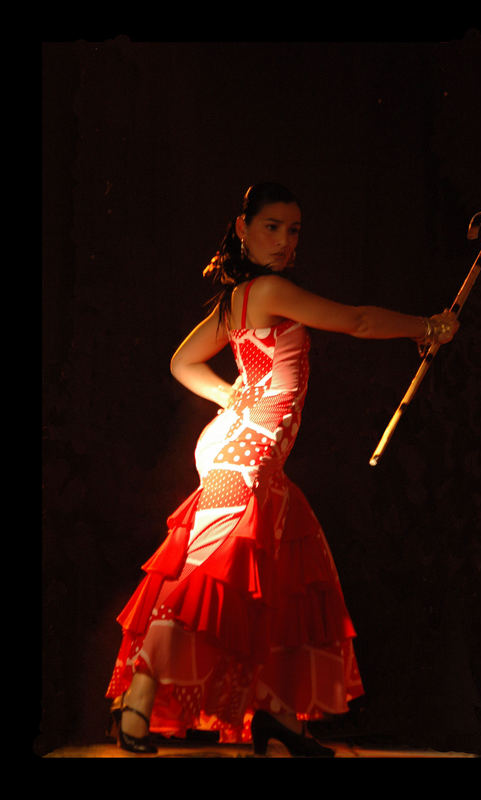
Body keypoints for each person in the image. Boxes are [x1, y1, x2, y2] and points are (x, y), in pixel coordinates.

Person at [105, 182, 459, 757]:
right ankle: (138, 703)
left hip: (249, 452)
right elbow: (360, 321)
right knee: (209, 573)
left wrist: (234, 399)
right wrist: (427, 326)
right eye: (272, 226)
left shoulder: (239, 300)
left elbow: (182, 362)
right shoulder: (268, 289)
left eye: (294, 230)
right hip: (245, 454)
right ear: (243, 228)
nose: (285, 240)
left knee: (285, 570)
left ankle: (278, 721)